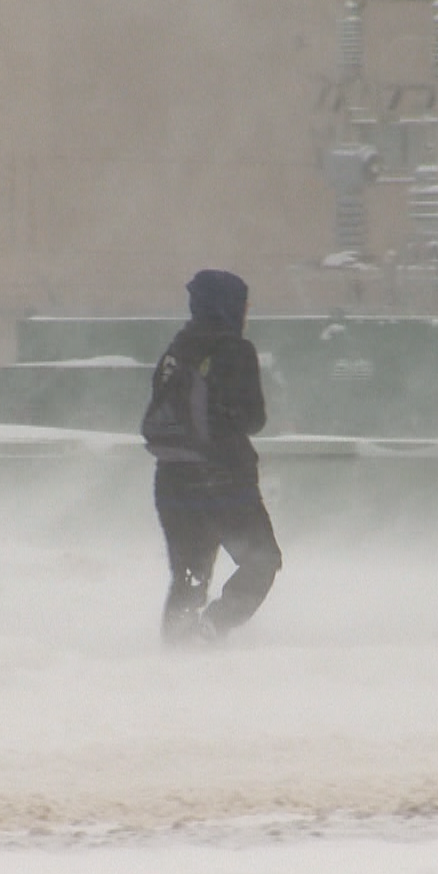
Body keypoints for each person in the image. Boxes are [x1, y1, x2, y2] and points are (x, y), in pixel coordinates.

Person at [141, 269, 282, 643]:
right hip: (222, 479)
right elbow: (253, 418)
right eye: (244, 305)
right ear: (228, 305)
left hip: (171, 480)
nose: (246, 313)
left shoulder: (175, 352)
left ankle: (176, 648)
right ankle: (211, 629)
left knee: (190, 574)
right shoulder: (234, 350)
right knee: (262, 560)